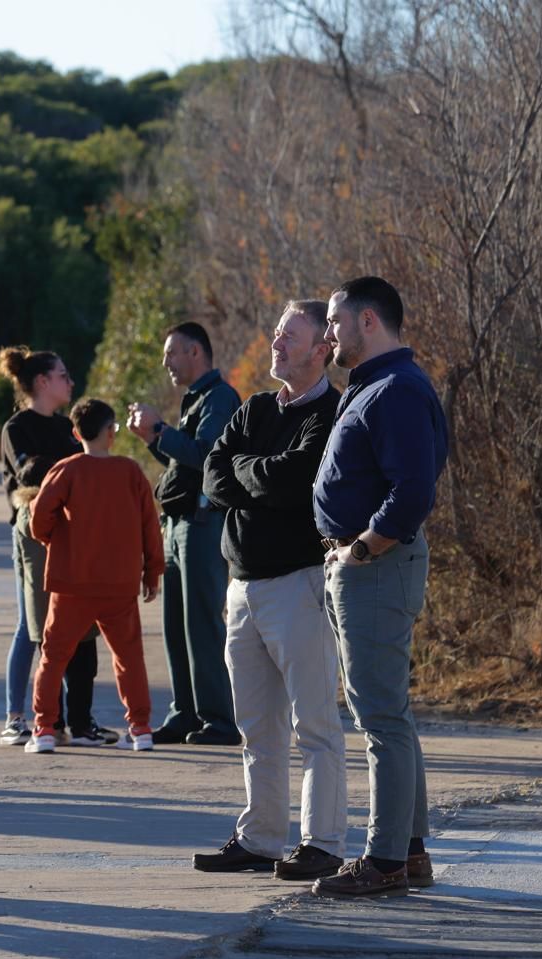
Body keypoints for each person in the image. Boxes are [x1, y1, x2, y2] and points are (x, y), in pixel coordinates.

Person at [194, 300, 346, 879]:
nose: (276, 342)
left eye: (290, 335)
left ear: (321, 348)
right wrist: (256, 473)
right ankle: (259, 839)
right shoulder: (256, 407)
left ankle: (324, 844)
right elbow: (213, 473)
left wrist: (248, 473)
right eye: (277, 332)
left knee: (314, 724)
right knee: (256, 727)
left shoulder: (329, 414)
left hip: (299, 585)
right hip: (243, 587)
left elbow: (293, 482)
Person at [310, 276, 447, 899]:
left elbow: (413, 492)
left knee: (381, 719)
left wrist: (362, 548)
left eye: (335, 322)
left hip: (375, 569)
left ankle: (384, 860)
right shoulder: (372, 385)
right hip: (367, 567)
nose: (329, 333)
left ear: (369, 320)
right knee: (391, 714)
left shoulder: (394, 390)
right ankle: (409, 852)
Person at [126, 322, 240, 745]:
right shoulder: (196, 399)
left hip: (202, 523)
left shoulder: (220, 397)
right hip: (177, 524)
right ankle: (185, 714)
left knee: (201, 623)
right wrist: (153, 438)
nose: (166, 362)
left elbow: (207, 456)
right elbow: (182, 461)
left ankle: (220, 721)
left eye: (171, 353)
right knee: (175, 624)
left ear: (196, 352)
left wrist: (160, 431)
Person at [29, 398, 163, 754]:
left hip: (72, 581)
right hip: (119, 583)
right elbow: (150, 525)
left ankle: (43, 730)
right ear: (110, 433)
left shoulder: (65, 470)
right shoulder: (131, 472)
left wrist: (52, 538)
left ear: (75, 433)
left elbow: (39, 517)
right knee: (128, 657)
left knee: (54, 656)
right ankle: (141, 728)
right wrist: (153, 571)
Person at [0, 347, 111, 749]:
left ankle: (69, 721)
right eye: (62, 375)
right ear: (42, 382)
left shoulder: (67, 428)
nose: (70, 382)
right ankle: (17, 718)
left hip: (69, 533)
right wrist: (65, 467)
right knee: (32, 627)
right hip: (31, 535)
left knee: (72, 626)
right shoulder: (16, 427)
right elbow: (31, 471)